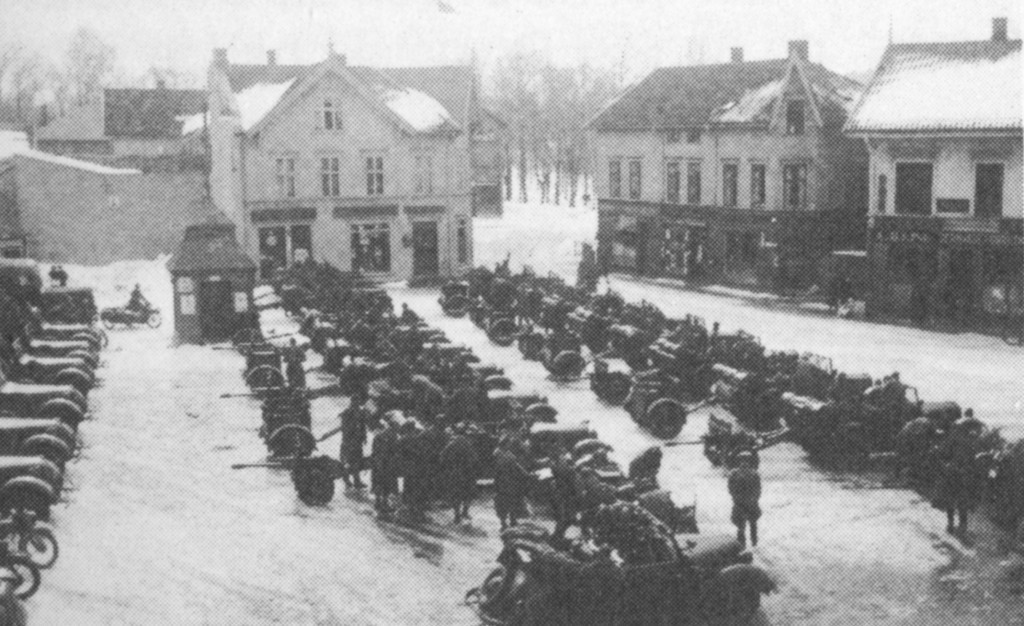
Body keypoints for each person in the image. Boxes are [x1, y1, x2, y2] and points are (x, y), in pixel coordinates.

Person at [439, 425, 479, 523]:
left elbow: (442, 456)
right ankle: (465, 512)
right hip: (467, 472)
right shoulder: (468, 444)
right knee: (467, 493)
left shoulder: (451, 443)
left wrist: (448, 465)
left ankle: (457, 515)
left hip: (455, 471)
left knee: (456, 493)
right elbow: (475, 458)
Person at [493, 439, 531, 530]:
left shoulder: (503, 453)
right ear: (504, 444)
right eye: (508, 444)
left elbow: (516, 465)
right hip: (506, 481)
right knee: (507, 501)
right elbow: (515, 465)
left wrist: (525, 473)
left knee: (507, 501)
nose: (509, 445)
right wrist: (525, 473)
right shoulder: (501, 454)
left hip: (506, 482)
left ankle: (509, 520)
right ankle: (507, 521)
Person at [728, 451, 762, 547]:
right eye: (742, 460)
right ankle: (741, 544)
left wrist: (754, 499)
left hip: (751, 502)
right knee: (740, 525)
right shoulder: (734, 474)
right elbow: (731, 488)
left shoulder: (754, 474)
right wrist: (736, 498)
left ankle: (754, 542)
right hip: (740, 503)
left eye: (746, 460)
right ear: (738, 462)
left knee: (753, 524)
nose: (744, 463)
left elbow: (758, 489)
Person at [339, 390, 370, 489]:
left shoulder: (361, 412)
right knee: (348, 462)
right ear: (351, 402)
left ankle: (357, 481)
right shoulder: (347, 413)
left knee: (357, 462)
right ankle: (346, 479)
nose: (356, 403)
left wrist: (364, 437)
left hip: (358, 441)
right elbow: (344, 428)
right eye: (354, 401)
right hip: (348, 442)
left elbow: (363, 426)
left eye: (358, 401)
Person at [371, 413, 401, 514]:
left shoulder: (379, 435)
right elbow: (395, 451)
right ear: (394, 427)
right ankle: (384, 504)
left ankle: (377, 502)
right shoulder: (393, 436)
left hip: (378, 462)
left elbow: (374, 450)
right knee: (387, 484)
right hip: (387, 463)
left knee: (378, 482)